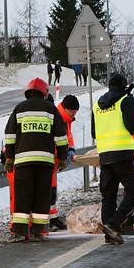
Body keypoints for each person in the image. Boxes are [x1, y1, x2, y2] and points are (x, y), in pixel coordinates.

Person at [4, 78, 69, 242]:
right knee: (42, 195)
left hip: (23, 162)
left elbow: (10, 135)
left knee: (22, 195)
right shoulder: (51, 109)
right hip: (45, 162)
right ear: (44, 92)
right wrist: (62, 157)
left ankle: (19, 231)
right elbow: (61, 136)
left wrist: (10, 157)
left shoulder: (19, 109)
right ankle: (38, 231)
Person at [91, 73, 134, 244]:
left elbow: (93, 132)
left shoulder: (97, 105)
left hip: (105, 155)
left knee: (109, 196)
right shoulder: (125, 100)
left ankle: (109, 234)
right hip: (123, 153)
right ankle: (114, 224)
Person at [48, 94, 80, 232]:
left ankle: (53, 219)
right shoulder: (57, 118)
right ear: (65, 109)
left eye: (75, 112)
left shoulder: (66, 119)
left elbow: (68, 137)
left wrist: (71, 149)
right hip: (50, 159)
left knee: (52, 191)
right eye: (72, 111)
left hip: (55, 160)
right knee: (49, 191)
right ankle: (48, 220)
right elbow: (55, 140)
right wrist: (61, 155)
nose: (74, 115)